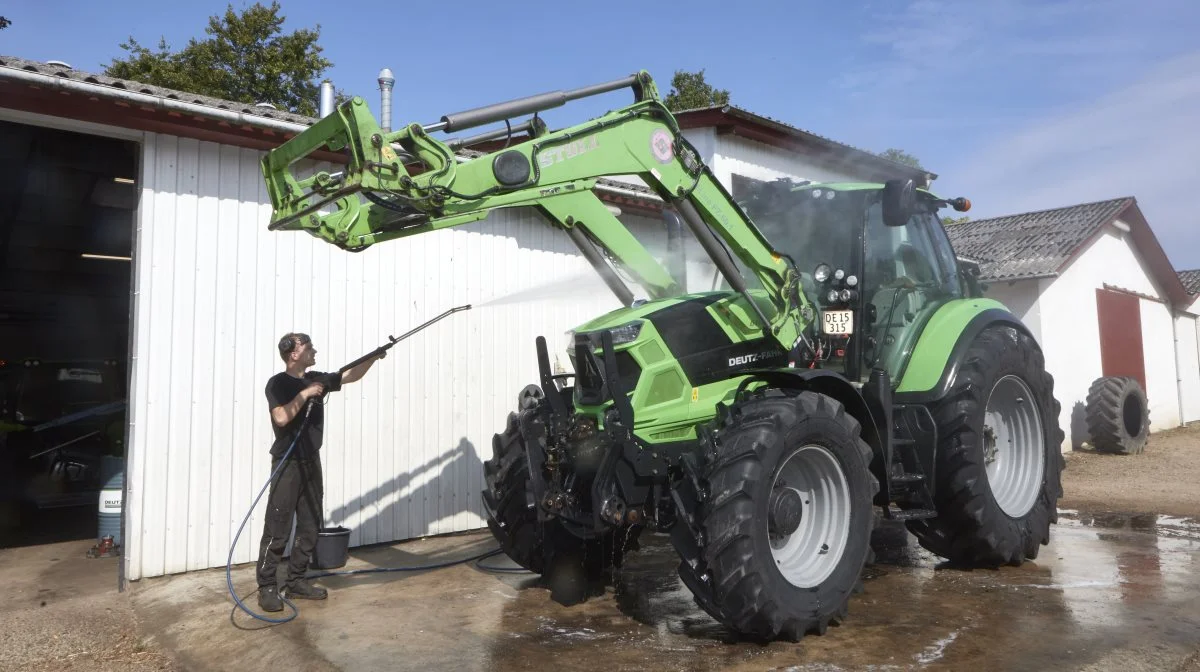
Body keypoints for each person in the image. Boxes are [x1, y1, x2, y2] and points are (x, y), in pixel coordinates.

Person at [256, 332, 383, 612]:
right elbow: (281, 417)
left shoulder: (317, 378)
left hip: (311, 461)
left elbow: (349, 374)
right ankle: (266, 586)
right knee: (278, 527)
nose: (314, 350)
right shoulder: (278, 383)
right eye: (308, 347)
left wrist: (373, 357)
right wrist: (305, 393)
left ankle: (297, 580)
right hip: (287, 462)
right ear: (293, 354)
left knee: (310, 523)